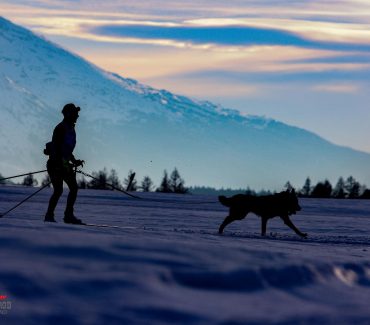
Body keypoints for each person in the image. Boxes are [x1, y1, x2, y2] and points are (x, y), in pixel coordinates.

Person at [44, 103, 84, 224]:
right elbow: (56, 147)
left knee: (72, 188)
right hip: (55, 164)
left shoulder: (70, 128)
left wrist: (73, 160)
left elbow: (66, 149)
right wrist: (58, 164)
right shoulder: (61, 128)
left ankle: (67, 216)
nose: (77, 116)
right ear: (68, 114)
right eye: (75, 113)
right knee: (59, 190)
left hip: (63, 163)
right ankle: (51, 216)